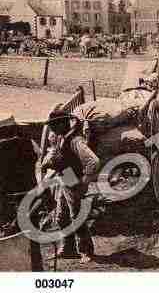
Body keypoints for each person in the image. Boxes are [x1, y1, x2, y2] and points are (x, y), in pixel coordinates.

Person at [42, 107, 99, 263]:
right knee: (61, 216)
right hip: (65, 176)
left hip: (74, 178)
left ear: (63, 123)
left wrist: (84, 182)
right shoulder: (62, 136)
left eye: (54, 124)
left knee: (77, 216)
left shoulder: (75, 140)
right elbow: (58, 153)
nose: (51, 128)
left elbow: (93, 162)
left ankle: (86, 251)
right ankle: (67, 249)